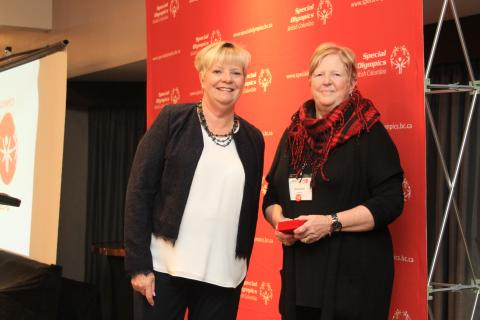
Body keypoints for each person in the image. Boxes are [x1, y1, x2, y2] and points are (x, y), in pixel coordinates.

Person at [124, 41, 264, 320]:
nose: (227, 79)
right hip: (166, 270)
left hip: (224, 276)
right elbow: (139, 191)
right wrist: (139, 266)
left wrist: (241, 269)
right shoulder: (172, 121)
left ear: (245, 80)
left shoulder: (253, 139)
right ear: (202, 76)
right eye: (218, 71)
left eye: (236, 73)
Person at [263, 43, 404, 320]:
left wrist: (330, 223)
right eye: (319, 74)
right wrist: (279, 221)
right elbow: (272, 196)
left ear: (352, 82)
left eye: (337, 75)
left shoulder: (368, 131)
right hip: (300, 280)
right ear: (309, 80)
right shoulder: (294, 134)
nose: (327, 81)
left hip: (354, 284)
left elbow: (391, 202)